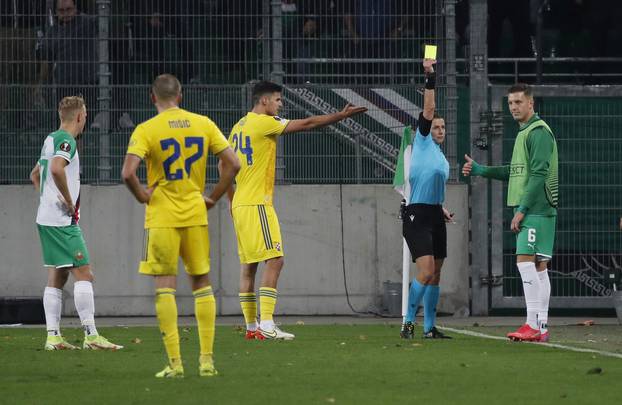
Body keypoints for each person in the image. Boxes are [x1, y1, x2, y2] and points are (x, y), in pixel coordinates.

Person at [226, 80, 366, 340]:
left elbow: (226, 166)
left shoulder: (238, 127)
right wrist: (340, 115)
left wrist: (231, 202)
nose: (281, 104)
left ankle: (251, 328)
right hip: (257, 204)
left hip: (240, 203)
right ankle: (267, 323)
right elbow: (307, 124)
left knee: (248, 267)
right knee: (276, 260)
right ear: (264, 100)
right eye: (278, 99)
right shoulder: (263, 122)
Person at [121, 74, 240, 378]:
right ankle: (207, 361)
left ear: (152, 97)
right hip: (195, 213)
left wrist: (143, 196)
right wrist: (213, 197)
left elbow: (128, 173)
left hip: (162, 216)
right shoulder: (203, 123)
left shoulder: (147, 129)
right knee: (202, 283)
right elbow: (234, 163)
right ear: (181, 95)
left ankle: (175, 364)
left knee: (165, 288)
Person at [463, 83, 558, 342]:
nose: (514, 107)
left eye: (518, 102)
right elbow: (515, 171)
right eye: (510, 103)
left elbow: (538, 174)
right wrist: (482, 170)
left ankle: (532, 324)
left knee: (524, 262)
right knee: (539, 268)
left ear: (531, 104)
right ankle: (542, 326)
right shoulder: (525, 133)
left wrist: (522, 210)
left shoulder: (538, 132)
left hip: (536, 209)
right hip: (537, 209)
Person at [30, 96, 122, 351]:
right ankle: (91, 336)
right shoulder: (67, 141)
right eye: (85, 115)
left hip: (46, 217)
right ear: (80, 117)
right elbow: (58, 169)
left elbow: (35, 174)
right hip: (61, 220)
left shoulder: (51, 138)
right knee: (84, 273)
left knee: (57, 276)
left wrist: (46, 197)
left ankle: (53, 337)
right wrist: (68, 202)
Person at [399, 59, 454, 340]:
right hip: (416, 216)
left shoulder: (442, 159)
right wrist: (430, 76)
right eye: (435, 127)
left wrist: (441, 207)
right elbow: (429, 108)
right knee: (426, 270)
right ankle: (408, 321)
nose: (440, 130)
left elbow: (428, 182)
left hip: (434, 213)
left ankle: (429, 327)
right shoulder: (421, 142)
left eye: (443, 127)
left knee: (437, 273)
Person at [37, 0, 98, 124]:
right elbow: (45, 56)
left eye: (69, 9)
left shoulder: (88, 22)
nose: (65, 14)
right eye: (61, 11)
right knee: (67, 128)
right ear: (56, 12)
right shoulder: (54, 31)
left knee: (80, 127)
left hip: (87, 84)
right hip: (64, 86)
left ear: (75, 8)